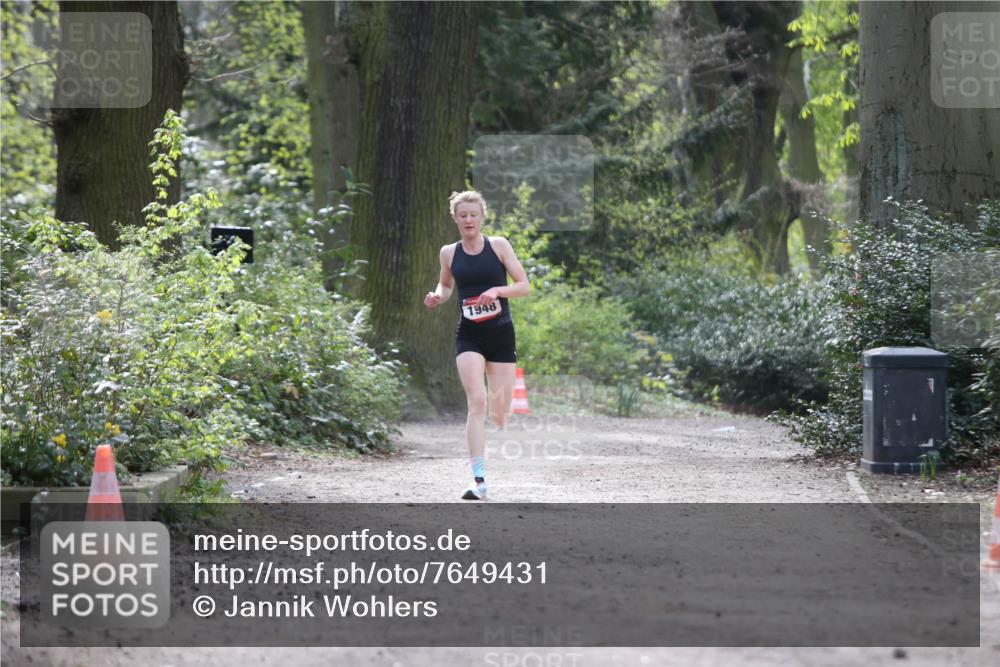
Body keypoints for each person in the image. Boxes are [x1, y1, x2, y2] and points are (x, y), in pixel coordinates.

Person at [424, 190, 531, 500]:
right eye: (463, 215)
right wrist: (437, 297)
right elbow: (445, 285)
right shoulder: (449, 253)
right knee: (477, 403)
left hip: (501, 335)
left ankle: (500, 418)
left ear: (482, 216)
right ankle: (479, 480)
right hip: (469, 335)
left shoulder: (498, 246)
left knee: (499, 413)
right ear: (455, 218)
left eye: (473, 214)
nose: (468, 219)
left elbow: (523, 286)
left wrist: (497, 291)